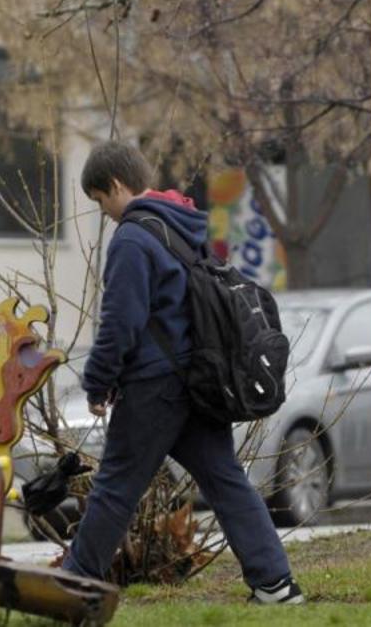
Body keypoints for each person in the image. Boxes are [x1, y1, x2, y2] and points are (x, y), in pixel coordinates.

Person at [61, 141, 304, 604]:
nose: (105, 212)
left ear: (114, 185)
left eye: (100, 200)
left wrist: (98, 381)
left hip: (154, 388)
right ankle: (275, 584)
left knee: (114, 486)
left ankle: (71, 586)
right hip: (195, 380)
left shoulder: (133, 238)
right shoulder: (183, 222)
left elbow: (120, 323)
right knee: (225, 480)